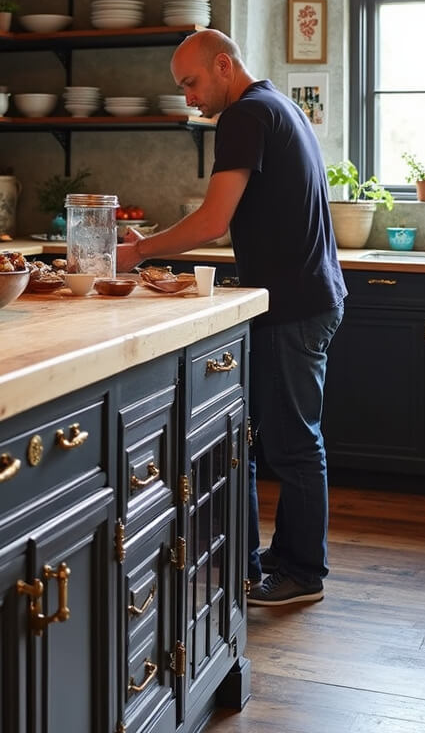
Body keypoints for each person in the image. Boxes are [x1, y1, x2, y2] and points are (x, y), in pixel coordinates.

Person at [117, 30, 346, 607]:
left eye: (191, 83)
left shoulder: (244, 116)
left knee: (294, 446)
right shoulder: (276, 104)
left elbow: (213, 220)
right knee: (294, 441)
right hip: (308, 296)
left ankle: (301, 571)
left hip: (295, 304)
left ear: (224, 65)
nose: (188, 98)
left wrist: (140, 249)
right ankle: (291, 557)